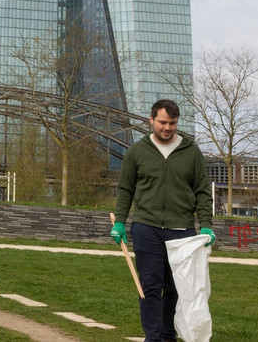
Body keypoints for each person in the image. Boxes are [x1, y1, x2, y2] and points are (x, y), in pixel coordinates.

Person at [111, 99, 216, 342]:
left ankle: (168, 336)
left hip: (182, 231)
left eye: (172, 123)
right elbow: (126, 189)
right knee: (149, 287)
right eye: (162, 122)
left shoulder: (191, 151)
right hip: (146, 228)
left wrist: (206, 225)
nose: (167, 127)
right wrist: (120, 222)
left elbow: (202, 191)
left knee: (176, 288)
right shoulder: (137, 151)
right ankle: (153, 337)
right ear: (151, 120)